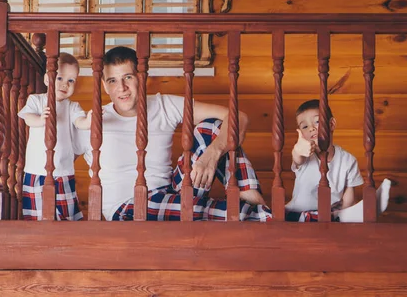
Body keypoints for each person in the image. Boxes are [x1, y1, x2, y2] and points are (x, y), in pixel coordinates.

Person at [75, 46, 271, 221]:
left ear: (142, 77)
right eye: (112, 80)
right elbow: (56, 159)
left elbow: (239, 117)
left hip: (170, 193)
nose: (122, 88)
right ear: (105, 86)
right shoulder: (92, 121)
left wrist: (212, 154)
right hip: (127, 209)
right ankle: (263, 216)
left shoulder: (163, 105)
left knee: (212, 127)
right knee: (197, 209)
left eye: (128, 77)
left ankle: (253, 201)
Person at [18, 52, 91, 220]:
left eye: (71, 81)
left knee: (67, 216)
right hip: (36, 169)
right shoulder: (36, 100)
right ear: (46, 79)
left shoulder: (72, 106)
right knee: (38, 216)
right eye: (59, 78)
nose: (65, 84)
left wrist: (88, 122)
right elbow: (27, 117)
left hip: (63, 170)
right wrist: (40, 119)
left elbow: (79, 121)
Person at [285, 99, 364, 222]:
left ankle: (372, 205)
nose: (311, 128)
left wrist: (349, 215)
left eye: (317, 122)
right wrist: (298, 149)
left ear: (331, 124)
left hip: (327, 215)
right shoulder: (305, 155)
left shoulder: (348, 160)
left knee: (346, 215)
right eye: (305, 126)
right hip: (297, 213)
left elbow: (348, 201)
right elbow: (297, 158)